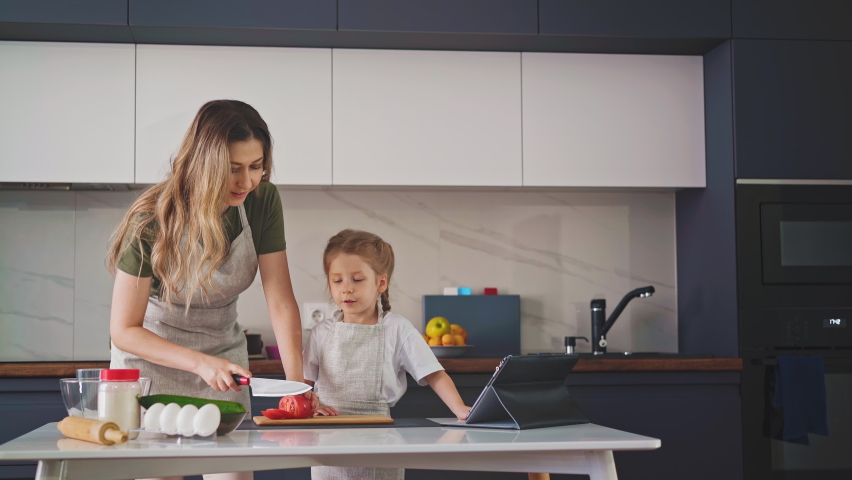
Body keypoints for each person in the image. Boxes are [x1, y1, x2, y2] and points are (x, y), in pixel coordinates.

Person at [107, 100, 315, 480]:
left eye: (256, 166)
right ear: (204, 163)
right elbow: (124, 330)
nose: (247, 181)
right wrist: (199, 363)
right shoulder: (151, 219)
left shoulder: (262, 201)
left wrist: (296, 386)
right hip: (153, 366)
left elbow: (281, 303)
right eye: (233, 169)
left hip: (224, 361)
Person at [304, 229, 471, 480]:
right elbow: (303, 386)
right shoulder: (321, 332)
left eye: (357, 279)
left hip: (379, 440)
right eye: (337, 280)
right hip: (327, 441)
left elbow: (434, 374)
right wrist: (310, 407)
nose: (346, 289)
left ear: (381, 282)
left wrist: (460, 409)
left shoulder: (397, 328)